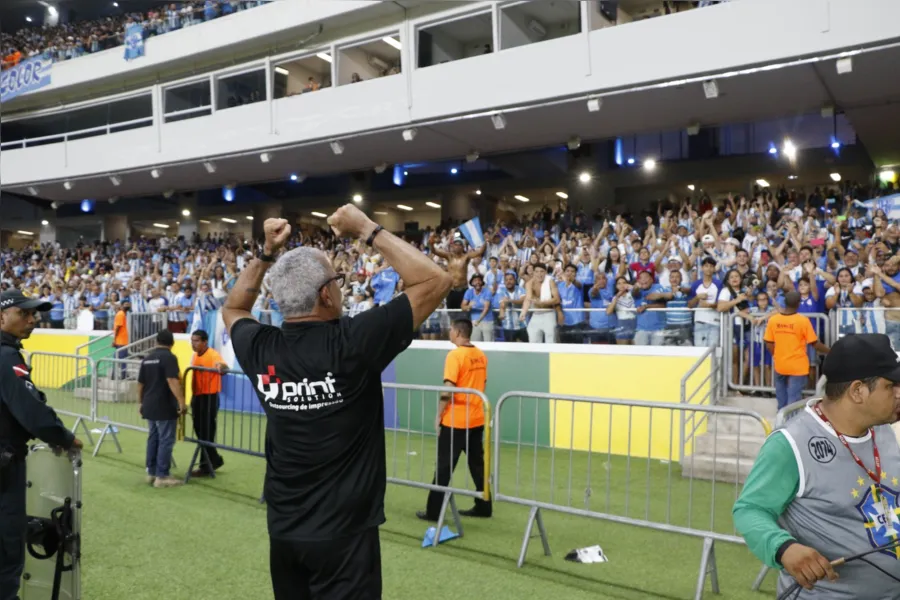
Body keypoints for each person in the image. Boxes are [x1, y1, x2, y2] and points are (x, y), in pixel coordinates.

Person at [221, 206, 451, 600]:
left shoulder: (261, 347)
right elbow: (435, 279)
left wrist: (266, 253)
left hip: (284, 531)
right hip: (345, 538)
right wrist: (365, 228)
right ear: (326, 294)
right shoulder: (353, 341)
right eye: (338, 281)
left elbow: (234, 308)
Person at [733, 334, 900, 599]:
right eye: (891, 386)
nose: (899, 393)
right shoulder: (790, 443)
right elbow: (749, 510)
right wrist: (784, 548)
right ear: (858, 391)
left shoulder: (885, 430)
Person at [0, 289, 83, 600]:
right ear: (2, 317)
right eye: (24, 313)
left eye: (34, 313)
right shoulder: (6, 356)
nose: (33, 319)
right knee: (6, 546)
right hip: (4, 467)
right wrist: (64, 438)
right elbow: (32, 410)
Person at [417, 319, 492, 522]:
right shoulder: (480, 355)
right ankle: (485, 506)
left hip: (456, 421)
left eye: (450, 330)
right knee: (477, 465)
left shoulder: (455, 355)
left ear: (458, 332)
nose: (449, 333)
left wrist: (438, 415)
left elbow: (448, 389)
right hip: (476, 419)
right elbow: (483, 383)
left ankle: (433, 512)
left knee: (443, 466)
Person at [764, 291, 831, 409]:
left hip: (780, 364)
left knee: (781, 401)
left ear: (784, 302)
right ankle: (789, 425)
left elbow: (768, 342)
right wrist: (829, 351)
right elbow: (814, 343)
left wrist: (776, 354)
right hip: (797, 366)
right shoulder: (803, 321)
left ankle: (780, 423)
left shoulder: (773, 320)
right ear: (798, 304)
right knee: (793, 402)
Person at [137, 329, 185, 488]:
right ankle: (162, 475)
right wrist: (181, 401)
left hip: (149, 404)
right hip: (164, 404)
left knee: (154, 437)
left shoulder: (148, 358)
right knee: (166, 439)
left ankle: (151, 472)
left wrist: (140, 402)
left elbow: (140, 384)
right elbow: (172, 380)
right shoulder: (169, 358)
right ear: (172, 343)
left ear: (156, 341)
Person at [189, 329, 227, 477]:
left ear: (205, 342)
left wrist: (221, 368)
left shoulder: (213, 354)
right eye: (192, 340)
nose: (193, 343)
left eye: (196, 341)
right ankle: (214, 459)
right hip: (197, 396)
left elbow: (223, 366)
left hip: (209, 397)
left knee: (206, 432)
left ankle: (206, 465)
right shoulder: (194, 356)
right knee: (200, 431)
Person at [428, 233, 485, 310]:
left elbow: (480, 252)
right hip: (451, 290)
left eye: (459, 245)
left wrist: (485, 241)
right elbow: (434, 251)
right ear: (452, 246)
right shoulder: (449, 256)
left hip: (463, 290)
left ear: (462, 247)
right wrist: (431, 244)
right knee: (451, 314)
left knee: (464, 314)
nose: (457, 246)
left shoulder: (466, 257)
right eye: (455, 244)